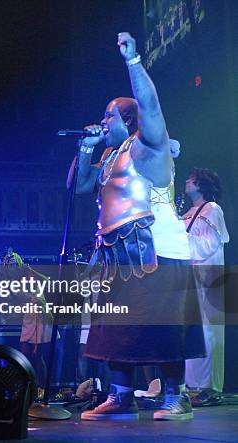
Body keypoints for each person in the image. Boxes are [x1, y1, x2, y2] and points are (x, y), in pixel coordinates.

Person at [69, 32, 204, 421]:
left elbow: (151, 105)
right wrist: (85, 145)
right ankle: (120, 395)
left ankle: (176, 397)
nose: (103, 119)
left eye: (109, 114)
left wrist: (134, 63)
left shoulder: (148, 148)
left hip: (157, 251)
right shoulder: (110, 156)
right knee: (116, 327)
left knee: (162, 327)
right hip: (118, 256)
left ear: (128, 119)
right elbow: (77, 187)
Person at [181, 168, 229, 404]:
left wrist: (184, 239)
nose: (187, 182)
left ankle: (208, 387)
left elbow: (209, 244)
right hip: (192, 278)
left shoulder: (212, 209)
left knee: (209, 332)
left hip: (209, 279)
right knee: (193, 331)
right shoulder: (187, 213)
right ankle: (192, 386)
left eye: (191, 180)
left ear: (202, 184)